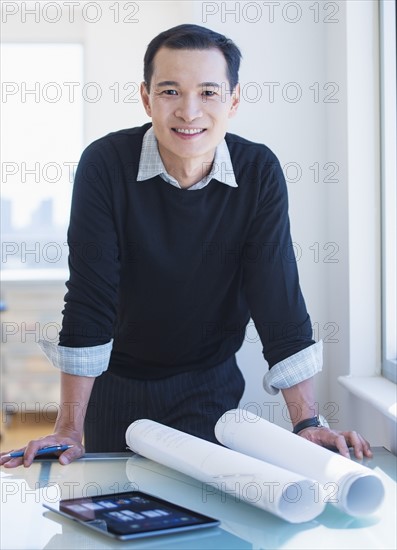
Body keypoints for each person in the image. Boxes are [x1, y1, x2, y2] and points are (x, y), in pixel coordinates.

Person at [1, 24, 372, 468]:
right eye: (171, 91)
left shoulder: (258, 172)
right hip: (117, 384)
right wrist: (68, 428)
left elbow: (278, 299)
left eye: (209, 92)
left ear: (233, 101)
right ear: (146, 98)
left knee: (206, 513)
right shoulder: (105, 165)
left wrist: (306, 422)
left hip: (209, 384)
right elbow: (89, 301)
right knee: (115, 512)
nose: (189, 111)